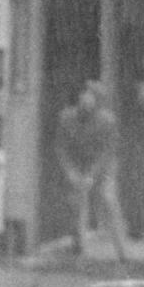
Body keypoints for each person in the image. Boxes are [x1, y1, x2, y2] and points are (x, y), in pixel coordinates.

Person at [55, 81, 129, 262]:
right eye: (82, 100)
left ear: (97, 104)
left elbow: (107, 151)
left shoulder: (107, 121)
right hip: (78, 164)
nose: (85, 104)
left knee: (107, 198)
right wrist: (70, 172)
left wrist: (92, 175)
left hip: (103, 166)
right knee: (76, 202)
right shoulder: (66, 118)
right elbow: (61, 148)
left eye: (90, 101)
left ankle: (122, 251)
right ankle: (79, 247)